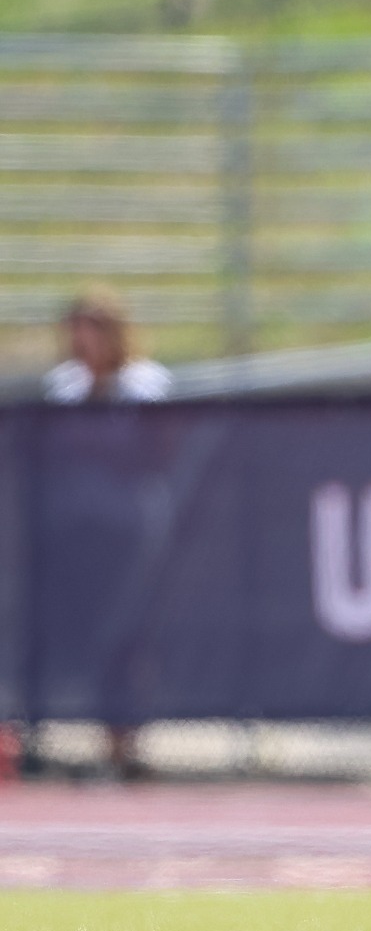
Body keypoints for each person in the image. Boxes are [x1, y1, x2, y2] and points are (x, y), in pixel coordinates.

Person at [42, 287, 172, 780]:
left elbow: (158, 451)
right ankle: (94, 741)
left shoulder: (144, 385)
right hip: (77, 535)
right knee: (88, 634)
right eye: (77, 328)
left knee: (129, 633)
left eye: (94, 328)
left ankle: (127, 743)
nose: (83, 339)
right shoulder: (63, 387)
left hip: (130, 534)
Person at [43, 287, 173, 405]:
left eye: (97, 336)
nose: (84, 345)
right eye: (75, 332)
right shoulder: (63, 382)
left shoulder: (145, 382)